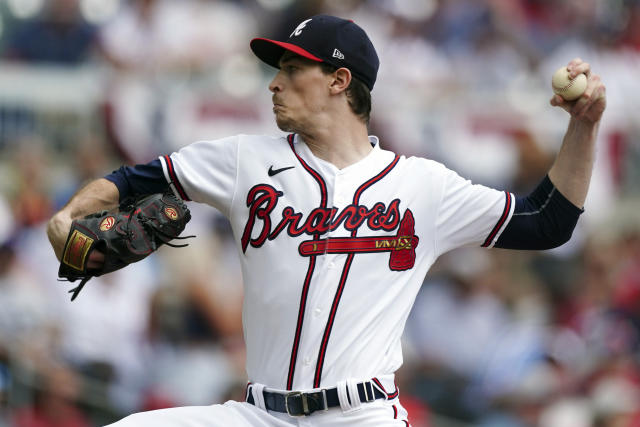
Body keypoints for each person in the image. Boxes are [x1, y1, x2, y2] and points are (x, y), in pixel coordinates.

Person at [46, 14, 606, 427]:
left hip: (360, 416)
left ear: (340, 82)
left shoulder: (423, 186)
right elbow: (133, 181)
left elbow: (547, 222)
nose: (273, 82)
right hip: (258, 415)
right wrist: (69, 215)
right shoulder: (244, 159)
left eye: (292, 69)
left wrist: (582, 127)